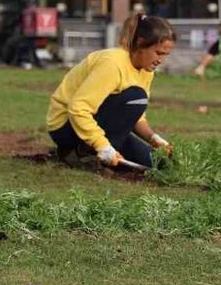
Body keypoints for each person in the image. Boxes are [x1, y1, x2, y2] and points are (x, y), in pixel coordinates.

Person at [46, 14, 176, 170]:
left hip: (104, 124)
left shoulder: (147, 70)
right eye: (158, 53)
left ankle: (99, 151)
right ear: (141, 43)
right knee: (136, 96)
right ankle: (80, 153)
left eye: (165, 55)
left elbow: (135, 115)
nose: (161, 60)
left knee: (160, 164)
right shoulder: (112, 63)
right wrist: (102, 146)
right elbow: (78, 108)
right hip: (66, 126)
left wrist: (154, 139)